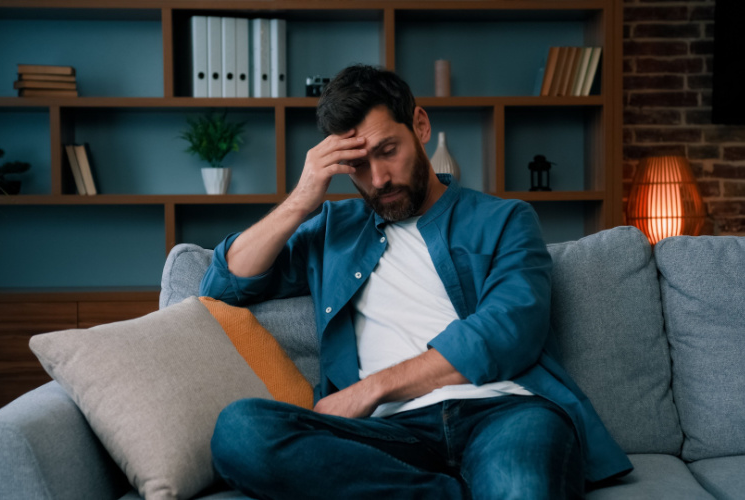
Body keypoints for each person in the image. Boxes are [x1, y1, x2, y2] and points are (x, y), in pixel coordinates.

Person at [200, 64, 632, 499]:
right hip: (387, 435)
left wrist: (371, 389)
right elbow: (222, 288)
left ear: (420, 126)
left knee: (519, 486)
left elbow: (510, 329)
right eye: (358, 165)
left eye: (388, 150)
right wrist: (301, 199)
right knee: (241, 431)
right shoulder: (333, 230)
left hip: (504, 412)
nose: (379, 178)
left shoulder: (505, 218)